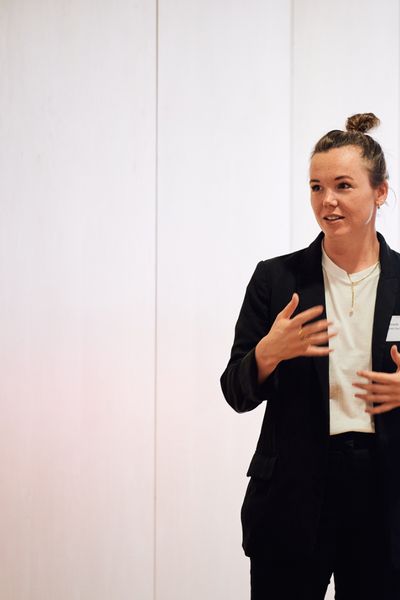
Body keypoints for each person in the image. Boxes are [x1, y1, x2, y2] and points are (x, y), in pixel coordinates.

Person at [220, 113, 400, 600]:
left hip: (385, 497)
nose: (328, 201)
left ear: (381, 192)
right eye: (316, 187)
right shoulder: (276, 280)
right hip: (293, 496)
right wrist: (267, 353)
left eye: (343, 185)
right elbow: (234, 389)